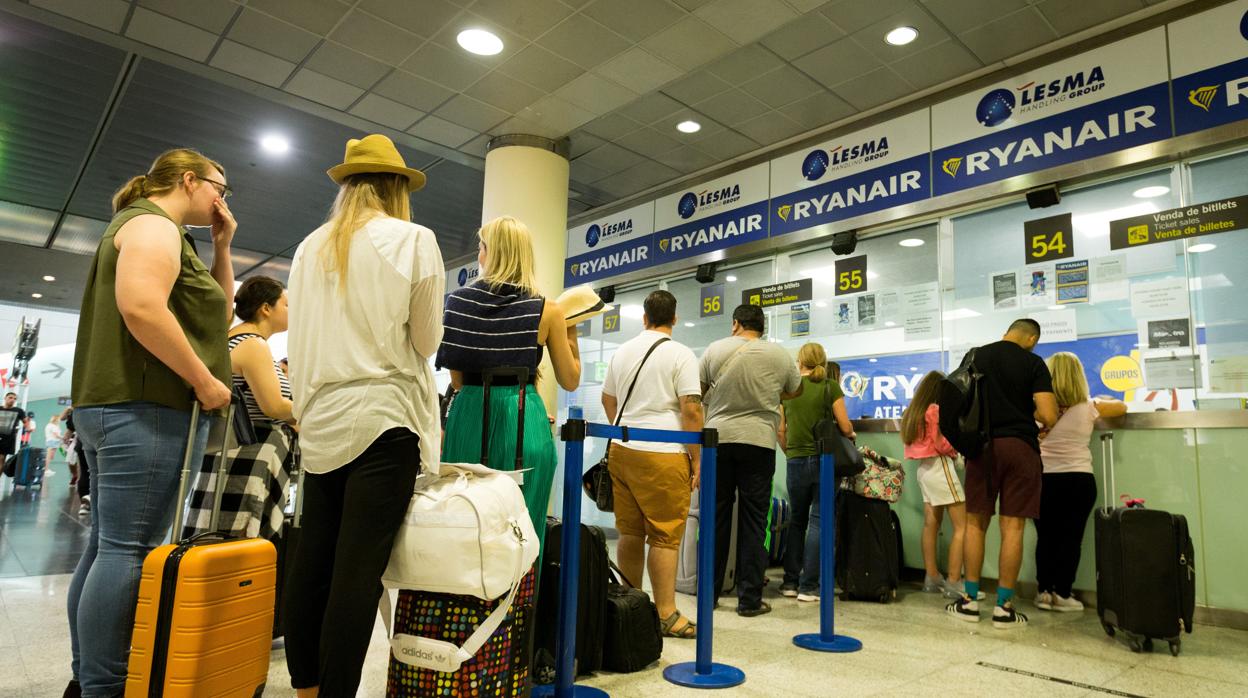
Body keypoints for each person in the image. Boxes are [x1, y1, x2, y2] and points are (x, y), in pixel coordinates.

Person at [65, 147, 236, 698]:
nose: (222, 199)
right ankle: (105, 686)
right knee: (125, 550)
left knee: (106, 547)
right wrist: (205, 381)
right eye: (219, 187)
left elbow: (217, 312)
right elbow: (141, 306)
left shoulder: (163, 233)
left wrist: (223, 247)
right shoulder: (152, 225)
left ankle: (90, 676)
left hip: (117, 406)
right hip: (143, 406)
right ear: (189, 181)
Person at [284, 134, 443, 697]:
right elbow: (425, 341)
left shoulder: (310, 247)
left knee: (314, 561)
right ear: (397, 187)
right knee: (359, 571)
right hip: (383, 417)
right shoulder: (414, 240)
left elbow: (296, 341)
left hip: (321, 419)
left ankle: (306, 687)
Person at [436, 215, 580, 550]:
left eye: (481, 247)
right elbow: (570, 379)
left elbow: (457, 381)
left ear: (492, 252)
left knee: (465, 519)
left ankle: (462, 598)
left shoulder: (458, 303)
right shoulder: (548, 310)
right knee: (524, 529)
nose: (479, 255)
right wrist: (570, 331)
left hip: (470, 415)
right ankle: (521, 599)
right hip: (524, 418)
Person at [601, 290, 701, 638]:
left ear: (644, 317)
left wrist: (626, 429)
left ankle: (635, 607)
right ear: (674, 318)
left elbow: (607, 398)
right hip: (664, 453)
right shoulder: (681, 354)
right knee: (664, 536)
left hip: (622, 451)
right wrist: (696, 458)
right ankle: (666, 613)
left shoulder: (622, 351)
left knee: (629, 531)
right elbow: (691, 409)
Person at [946, 319, 1058, 629]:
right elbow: (1048, 414)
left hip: (982, 448)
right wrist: (1030, 413)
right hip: (1021, 448)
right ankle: (1004, 608)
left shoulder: (976, 356)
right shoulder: (1034, 362)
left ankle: (969, 602)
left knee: (975, 524)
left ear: (1006, 332)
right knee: (1013, 528)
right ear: (1031, 338)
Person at [700, 304, 802, 616]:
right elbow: (794, 391)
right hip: (759, 441)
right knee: (756, 521)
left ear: (735, 324)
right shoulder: (779, 355)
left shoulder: (714, 350)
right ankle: (749, 600)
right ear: (762, 327)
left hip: (718, 440)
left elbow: (699, 392)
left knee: (715, 517)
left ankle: (710, 595)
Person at [184, 276, 297, 540]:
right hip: (249, 454)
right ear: (266, 308)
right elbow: (273, 406)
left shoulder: (237, 339)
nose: (291, 312)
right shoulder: (252, 344)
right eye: (286, 305)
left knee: (218, 534)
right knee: (240, 536)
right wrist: (318, 410)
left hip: (234, 451)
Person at [1035, 352, 1126, 612]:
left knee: (1046, 538)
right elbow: (1122, 407)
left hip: (1043, 479)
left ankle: (1043, 592)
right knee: (1071, 539)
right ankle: (1063, 593)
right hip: (1078, 480)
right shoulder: (1089, 407)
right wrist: (1100, 399)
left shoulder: (1037, 409)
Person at [776, 342, 852, 602]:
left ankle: (789, 582)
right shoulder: (829, 387)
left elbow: (780, 430)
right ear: (823, 360)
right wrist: (851, 433)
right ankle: (809, 588)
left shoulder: (789, 391)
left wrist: (791, 452)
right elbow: (844, 424)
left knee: (796, 521)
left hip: (795, 460)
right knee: (818, 521)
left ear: (800, 361)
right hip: (823, 460)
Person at [901, 371, 981, 600]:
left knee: (931, 524)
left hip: (924, 471)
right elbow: (941, 442)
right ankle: (955, 582)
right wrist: (958, 448)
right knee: (962, 526)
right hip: (940, 467)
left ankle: (932, 578)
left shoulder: (914, 412)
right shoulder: (935, 410)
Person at [0, 391, 29, 472]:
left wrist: (28, 428)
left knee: (1, 459)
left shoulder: (18, 410)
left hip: (8, 438)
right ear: (5, 398)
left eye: (15, 399)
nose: (12, 400)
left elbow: (25, 421)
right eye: (10, 398)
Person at [44, 410, 64, 477]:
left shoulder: (53, 425)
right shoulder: (52, 426)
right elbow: (56, 435)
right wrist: (63, 438)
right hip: (52, 441)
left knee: (51, 457)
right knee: (49, 457)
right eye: (59, 419)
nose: (59, 421)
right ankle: (46, 470)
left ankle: (46, 469)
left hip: (54, 442)